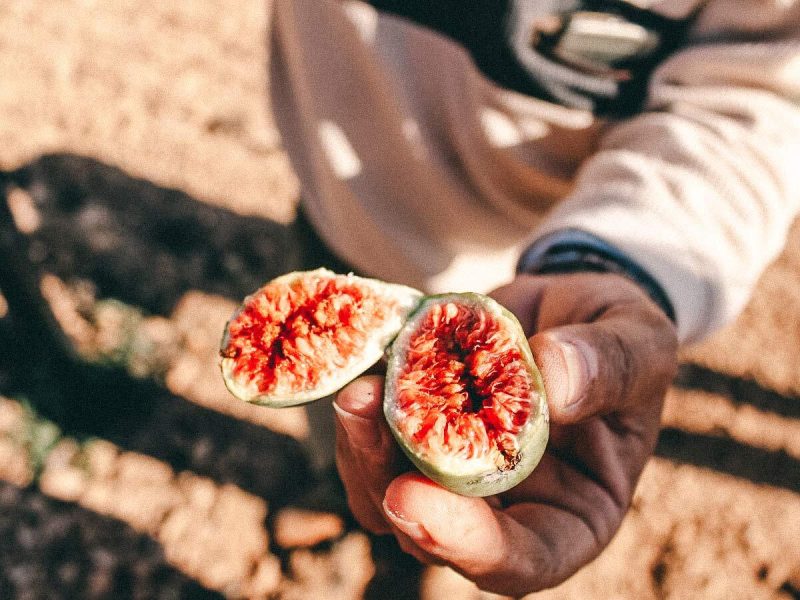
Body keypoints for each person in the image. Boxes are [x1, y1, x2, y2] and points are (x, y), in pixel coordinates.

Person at [268, 0, 800, 595]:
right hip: (343, 211)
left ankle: (428, 560)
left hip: (541, 269)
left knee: (443, 499)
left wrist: (611, 262)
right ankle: (343, 495)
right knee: (346, 425)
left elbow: (757, 92)